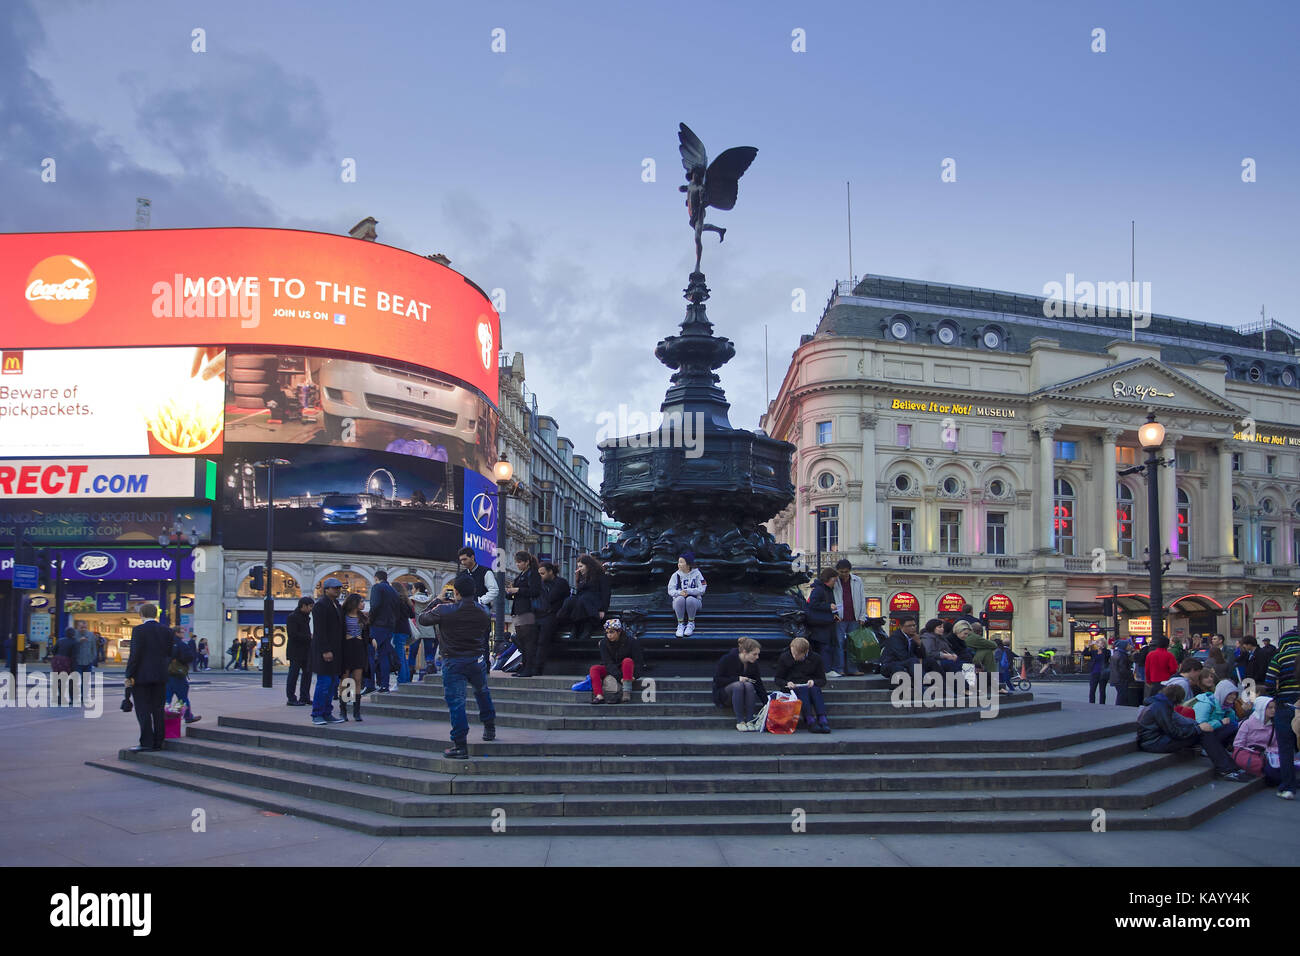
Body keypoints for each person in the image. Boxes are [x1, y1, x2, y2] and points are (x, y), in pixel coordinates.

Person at [418, 575, 496, 758]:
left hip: (453, 660)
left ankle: (460, 745)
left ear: (457, 592)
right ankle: (489, 727)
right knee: (482, 692)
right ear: (475, 591)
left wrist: (438, 599)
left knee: (457, 702)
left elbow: (422, 618)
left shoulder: (445, 610)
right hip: (476, 659)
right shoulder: (483, 610)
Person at [1136, 683, 1250, 781]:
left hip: (1157, 739)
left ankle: (1228, 767)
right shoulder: (1160, 707)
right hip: (1153, 743)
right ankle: (1226, 768)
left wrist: (1198, 726)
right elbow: (1175, 732)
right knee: (1203, 733)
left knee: (1204, 732)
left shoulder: (1162, 704)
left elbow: (1182, 721)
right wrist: (1199, 729)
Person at [124, 604, 175, 752]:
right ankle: (159, 740)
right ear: (156, 614)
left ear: (142, 614)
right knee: (158, 709)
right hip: (160, 675)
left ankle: (146, 741)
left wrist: (129, 674)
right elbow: (170, 652)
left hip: (141, 676)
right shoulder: (167, 631)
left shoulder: (138, 630)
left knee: (143, 709)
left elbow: (135, 654)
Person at [1263, 625, 1299, 800]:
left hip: (1285, 706)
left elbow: (1269, 683)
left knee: (1285, 748)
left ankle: (1288, 787)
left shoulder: (1279, 657)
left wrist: (1276, 697)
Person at [310, 578, 347, 725]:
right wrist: (325, 650)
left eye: (339, 588)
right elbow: (320, 630)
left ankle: (327, 712)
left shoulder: (336, 604)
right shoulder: (321, 605)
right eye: (334, 588)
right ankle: (317, 713)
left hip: (336, 650)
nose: (337, 590)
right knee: (324, 683)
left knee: (332, 683)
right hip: (325, 651)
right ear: (326, 589)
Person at [773, 636, 830, 733]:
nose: (794, 656)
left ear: (805, 652)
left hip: (808, 685)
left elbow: (822, 680)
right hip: (792, 687)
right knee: (803, 690)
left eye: (797, 654)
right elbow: (778, 679)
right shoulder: (785, 657)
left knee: (815, 689)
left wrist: (814, 682)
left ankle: (822, 719)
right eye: (793, 653)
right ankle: (809, 720)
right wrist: (787, 683)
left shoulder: (816, 658)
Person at [713, 636, 767, 729]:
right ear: (745, 652)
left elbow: (758, 684)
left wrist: (767, 703)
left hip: (744, 693)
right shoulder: (727, 659)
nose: (757, 657)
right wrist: (737, 679)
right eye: (754, 654)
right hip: (725, 694)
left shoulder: (753, 664)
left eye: (758, 654)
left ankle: (750, 721)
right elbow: (718, 680)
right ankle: (740, 721)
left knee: (749, 685)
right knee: (739, 685)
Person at [504, 551, 544, 676]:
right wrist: (510, 592)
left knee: (528, 640)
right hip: (519, 609)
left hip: (527, 610)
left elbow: (534, 591)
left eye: (520, 562)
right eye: (516, 562)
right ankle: (525, 665)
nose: (517, 564)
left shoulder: (532, 574)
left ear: (527, 562)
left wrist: (517, 590)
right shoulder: (522, 574)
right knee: (522, 639)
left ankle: (529, 667)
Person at [456, 546, 499, 659]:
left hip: (480, 611)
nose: (463, 562)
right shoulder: (462, 574)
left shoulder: (485, 572)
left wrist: (480, 601)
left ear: (472, 557)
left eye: (465, 559)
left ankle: (485, 667)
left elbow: (494, 590)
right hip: (465, 611)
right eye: (461, 560)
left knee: (482, 640)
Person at [589, 618, 644, 704]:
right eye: (607, 633)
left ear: (619, 632)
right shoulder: (603, 643)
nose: (609, 635)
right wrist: (620, 677)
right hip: (612, 669)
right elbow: (607, 662)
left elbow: (639, 662)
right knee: (594, 669)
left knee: (627, 661)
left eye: (611, 632)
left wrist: (635, 676)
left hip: (626, 669)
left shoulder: (631, 641)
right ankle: (599, 695)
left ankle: (626, 692)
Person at [528, 563, 569, 676]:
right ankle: (530, 666)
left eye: (542, 573)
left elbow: (550, 598)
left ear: (550, 572)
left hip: (552, 615)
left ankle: (537, 668)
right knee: (533, 641)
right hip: (539, 614)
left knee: (542, 642)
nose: (540, 576)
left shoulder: (560, 583)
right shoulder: (541, 584)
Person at [368, 570, 405, 692]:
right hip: (390, 626)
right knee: (384, 655)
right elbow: (397, 609)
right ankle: (384, 684)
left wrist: (370, 620)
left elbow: (375, 605)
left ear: (376, 578)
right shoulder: (393, 591)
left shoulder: (377, 588)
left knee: (370, 653)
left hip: (378, 625)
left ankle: (370, 684)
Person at [1232, 696, 1283, 784]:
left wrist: (1269, 753)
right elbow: (1238, 743)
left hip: (1266, 755)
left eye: (1274, 707)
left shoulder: (1274, 725)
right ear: (1261, 708)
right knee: (1273, 775)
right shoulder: (1247, 723)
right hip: (1249, 754)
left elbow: (1275, 745)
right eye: (1270, 708)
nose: (1273, 710)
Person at [830, 559, 867, 676]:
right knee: (839, 644)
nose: (843, 574)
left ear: (849, 571)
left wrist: (862, 616)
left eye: (846, 572)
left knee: (853, 645)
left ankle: (852, 668)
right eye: (841, 572)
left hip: (854, 617)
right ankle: (839, 668)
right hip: (840, 618)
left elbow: (862, 599)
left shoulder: (857, 580)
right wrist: (834, 614)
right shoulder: (835, 581)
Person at [340, 593, 369, 722]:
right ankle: (343, 710)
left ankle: (357, 712)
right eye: (361, 601)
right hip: (346, 648)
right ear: (354, 603)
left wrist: (370, 639)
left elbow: (367, 633)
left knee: (358, 679)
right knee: (345, 680)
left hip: (359, 648)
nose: (363, 604)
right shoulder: (343, 615)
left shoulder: (362, 617)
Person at [804, 567, 839, 676]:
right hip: (820, 624)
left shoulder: (825, 589)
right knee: (825, 647)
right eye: (834, 580)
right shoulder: (819, 590)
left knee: (826, 647)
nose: (835, 583)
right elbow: (813, 604)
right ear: (829, 579)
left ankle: (826, 669)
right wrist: (829, 606)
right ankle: (826, 670)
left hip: (825, 623)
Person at [1192, 679, 1241, 754]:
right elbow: (1200, 726)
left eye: (1235, 694)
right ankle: (1206, 748)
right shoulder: (1206, 704)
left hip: (1214, 734)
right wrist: (1220, 722)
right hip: (1201, 737)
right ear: (1222, 693)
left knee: (1238, 725)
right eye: (1230, 694)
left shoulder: (1227, 707)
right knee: (1233, 725)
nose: (1233, 697)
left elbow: (1235, 722)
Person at [165, 628, 201, 725]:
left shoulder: (166, 643)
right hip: (177, 674)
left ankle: (163, 716)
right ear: (176, 633)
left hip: (166, 674)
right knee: (182, 698)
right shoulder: (181, 644)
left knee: (167, 697)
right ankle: (187, 716)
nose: (184, 634)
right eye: (182, 632)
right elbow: (189, 657)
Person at [668, 552, 707, 637]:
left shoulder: (697, 574)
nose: (679, 564)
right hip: (679, 603)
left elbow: (702, 589)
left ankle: (691, 623)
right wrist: (679, 593)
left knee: (690, 599)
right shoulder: (676, 575)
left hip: (695, 602)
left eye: (681, 562)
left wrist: (689, 591)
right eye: (678, 562)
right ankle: (680, 624)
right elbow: (670, 590)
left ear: (688, 564)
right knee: (679, 599)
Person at [284, 597, 314, 706]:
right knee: (293, 675)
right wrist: (309, 637)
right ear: (304, 606)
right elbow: (292, 635)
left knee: (307, 675)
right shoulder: (293, 617)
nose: (311, 609)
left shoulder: (306, 617)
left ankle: (304, 697)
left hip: (306, 651)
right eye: (310, 606)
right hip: (296, 651)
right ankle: (291, 698)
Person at [391, 580, 415, 685]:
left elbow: (394, 616)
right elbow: (412, 615)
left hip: (398, 630)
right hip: (405, 630)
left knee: (400, 656)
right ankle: (404, 679)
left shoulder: (396, 600)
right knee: (402, 656)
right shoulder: (406, 600)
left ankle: (401, 681)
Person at [51, 627, 77, 706]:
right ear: (73, 634)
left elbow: (53, 650)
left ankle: (61, 697)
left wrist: (57, 656)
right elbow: (74, 655)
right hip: (67, 662)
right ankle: (71, 698)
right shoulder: (74, 642)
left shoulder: (60, 640)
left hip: (57, 661)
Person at [1109, 638, 1135, 706]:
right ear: (1124, 646)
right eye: (1128, 645)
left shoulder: (1117, 653)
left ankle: (1119, 706)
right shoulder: (1122, 655)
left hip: (1117, 678)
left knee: (1121, 694)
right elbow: (1123, 669)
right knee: (1122, 695)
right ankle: (1119, 707)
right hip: (1121, 679)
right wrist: (1130, 676)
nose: (1130, 646)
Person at [1086, 638, 1111, 704]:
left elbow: (1106, 655)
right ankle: (1091, 703)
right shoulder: (1094, 652)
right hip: (1094, 672)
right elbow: (1085, 653)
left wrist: (1102, 648)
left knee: (1102, 690)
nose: (1097, 644)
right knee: (1092, 690)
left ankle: (1102, 704)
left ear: (1103, 644)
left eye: (1099, 642)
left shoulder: (1107, 651)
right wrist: (1088, 646)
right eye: (1097, 642)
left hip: (1103, 673)